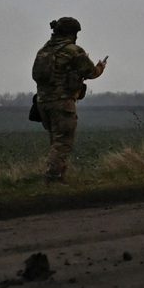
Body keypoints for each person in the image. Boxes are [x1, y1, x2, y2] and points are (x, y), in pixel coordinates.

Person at [33, 17, 106, 185]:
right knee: (63, 142)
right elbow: (91, 72)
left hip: (43, 103)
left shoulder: (44, 50)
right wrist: (101, 66)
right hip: (62, 103)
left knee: (56, 141)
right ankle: (51, 180)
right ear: (72, 33)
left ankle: (60, 178)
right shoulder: (72, 50)